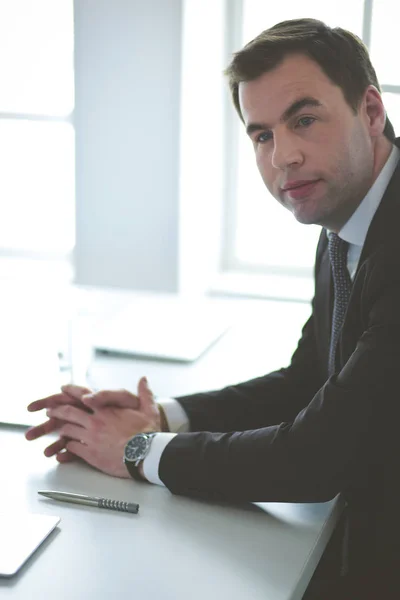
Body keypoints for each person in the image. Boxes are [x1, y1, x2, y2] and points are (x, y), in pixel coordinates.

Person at [26, 18, 400, 599]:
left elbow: (320, 458)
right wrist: (164, 418)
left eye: (304, 120)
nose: (284, 157)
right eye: (261, 136)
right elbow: (308, 381)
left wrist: (136, 451)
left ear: (370, 111)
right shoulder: (348, 221)